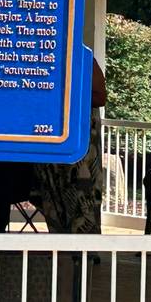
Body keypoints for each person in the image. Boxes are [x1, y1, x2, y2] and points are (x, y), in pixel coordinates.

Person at [33, 58, 107, 234]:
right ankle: (62, 254)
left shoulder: (85, 59)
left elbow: (100, 97)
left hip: (81, 146)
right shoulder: (42, 58)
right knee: (54, 202)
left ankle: (85, 253)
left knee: (84, 200)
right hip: (51, 141)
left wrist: (66, 92)